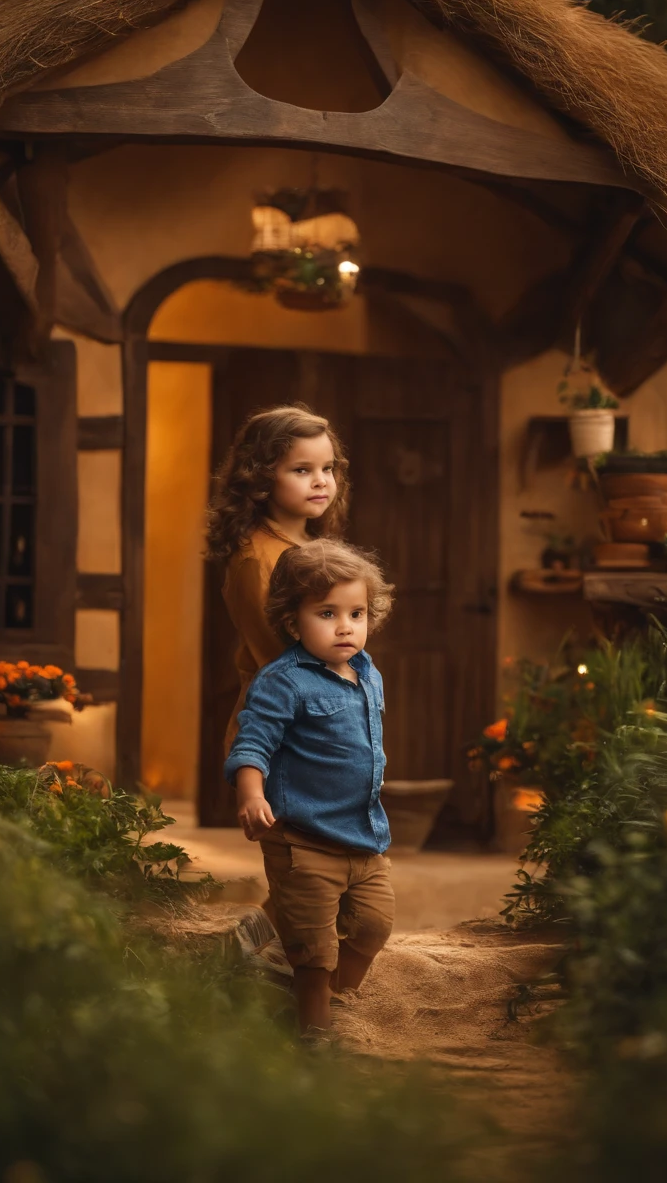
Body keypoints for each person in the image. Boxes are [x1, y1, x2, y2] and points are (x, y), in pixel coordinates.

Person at [224, 539, 395, 1040]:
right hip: (303, 838)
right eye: (327, 613)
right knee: (314, 949)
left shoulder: (368, 673)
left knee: (373, 927)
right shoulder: (283, 681)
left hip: (363, 836)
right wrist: (251, 794)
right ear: (293, 621)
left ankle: (319, 996)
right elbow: (252, 742)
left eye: (357, 613)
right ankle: (315, 1030)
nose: (346, 626)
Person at [206, 404, 350, 756]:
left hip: (326, 716)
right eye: (302, 470)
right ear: (262, 477)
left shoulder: (314, 544)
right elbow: (280, 654)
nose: (321, 480)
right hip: (281, 729)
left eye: (327, 468)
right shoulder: (257, 559)